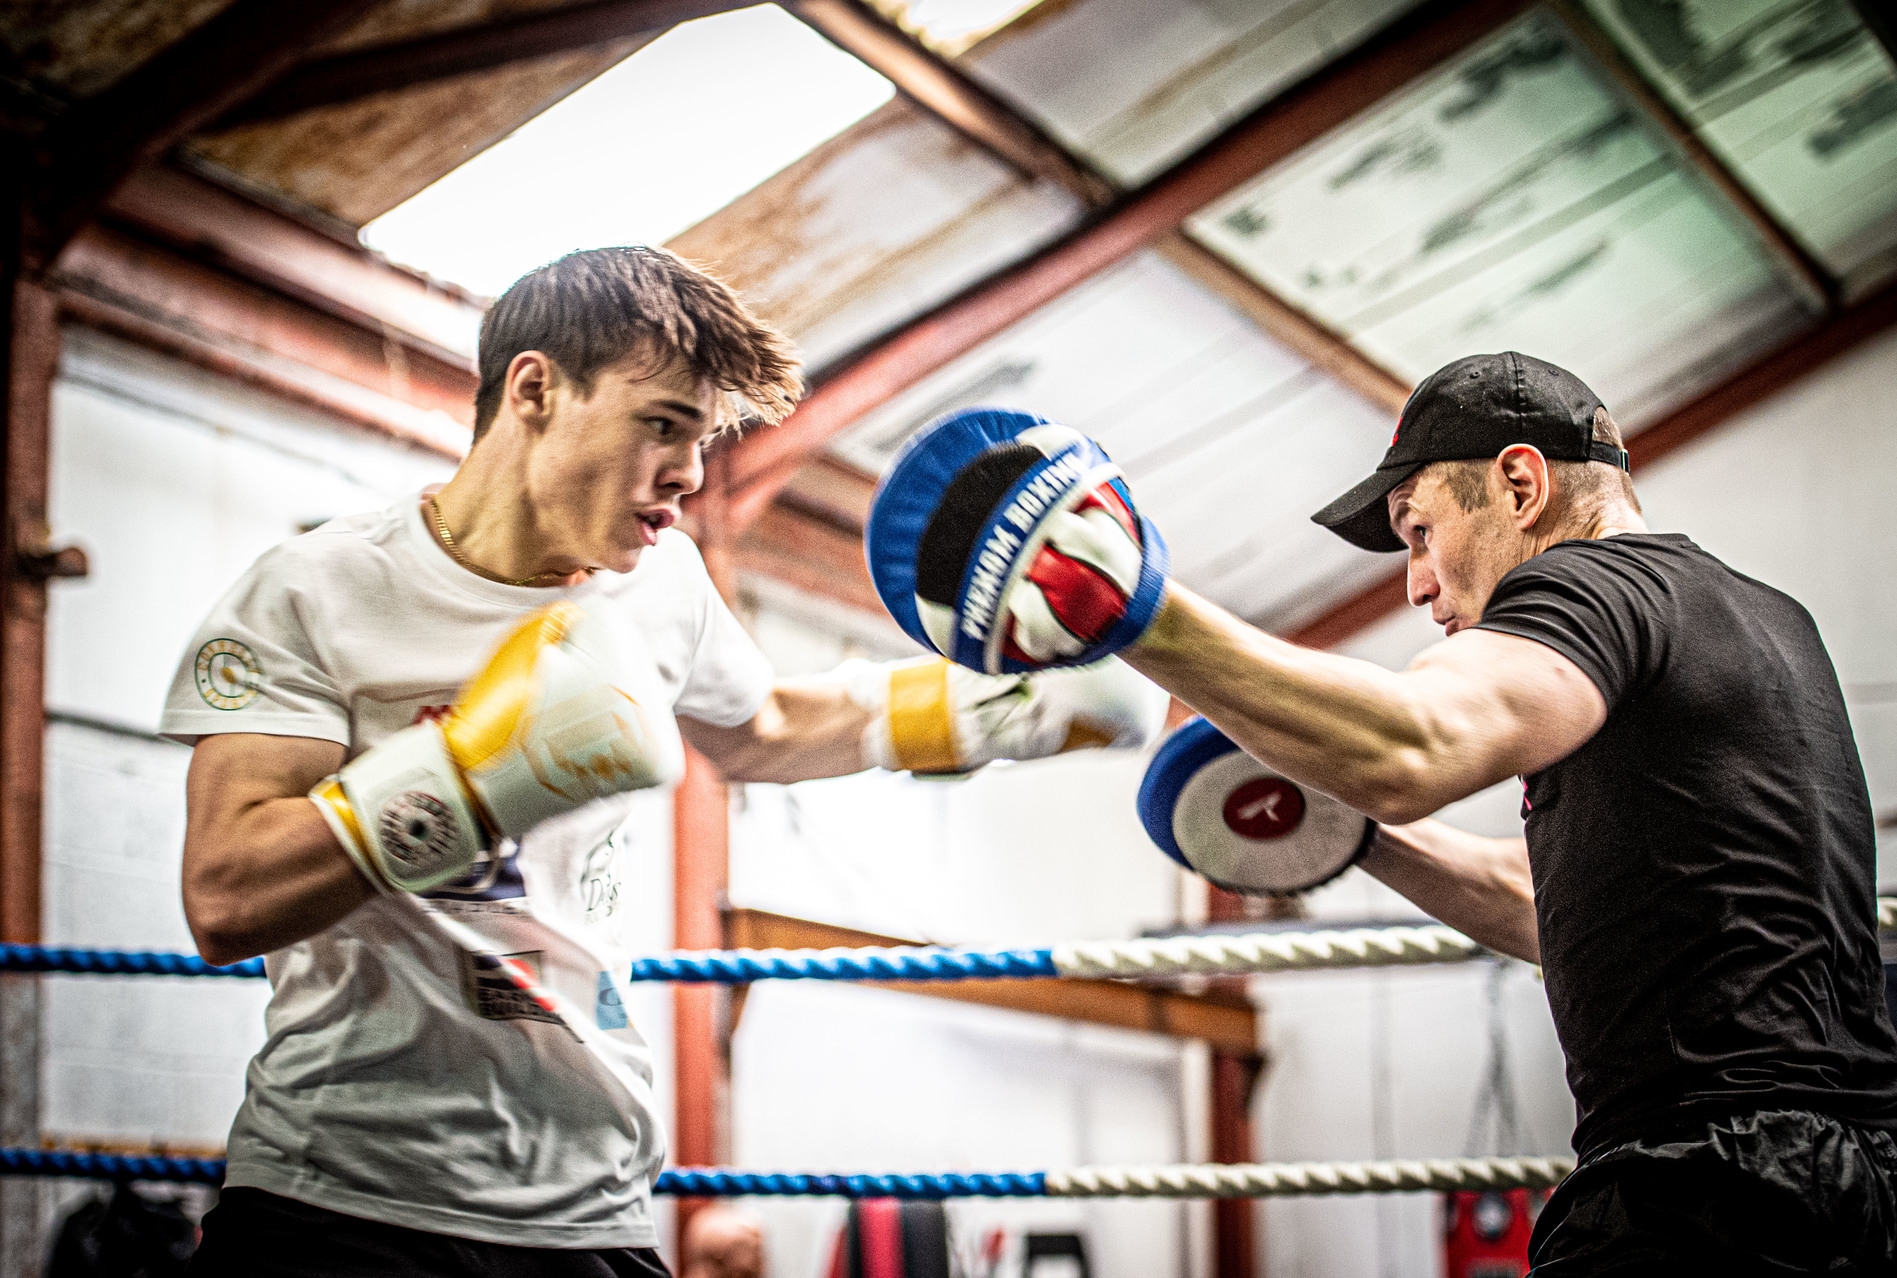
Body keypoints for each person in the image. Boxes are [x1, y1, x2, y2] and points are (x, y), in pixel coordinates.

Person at [164, 247, 1162, 1276]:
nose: (689, 474)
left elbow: (765, 723)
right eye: (663, 424)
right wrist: (469, 774)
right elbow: (228, 896)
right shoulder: (315, 589)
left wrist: (1000, 710)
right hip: (341, 1197)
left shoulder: (661, 584)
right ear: (536, 390)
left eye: (703, 437)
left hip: (588, 1196)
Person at [897, 352, 1897, 1273]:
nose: (1420, 585)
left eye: (1420, 531)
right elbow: (1545, 906)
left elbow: (1417, 743)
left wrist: (1133, 609)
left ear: (1522, 483)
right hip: (1872, 1177)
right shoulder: (1760, 615)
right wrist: (1351, 829)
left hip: (1714, 1189)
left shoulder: (1595, 591)